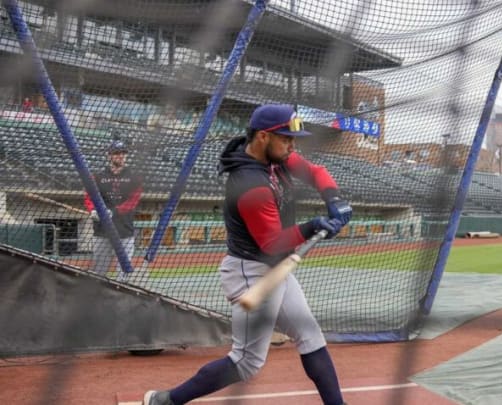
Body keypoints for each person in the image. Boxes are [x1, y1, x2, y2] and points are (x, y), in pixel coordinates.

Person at [143, 104, 353, 405]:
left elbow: (314, 171)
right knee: (245, 361)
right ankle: (168, 400)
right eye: (286, 139)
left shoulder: (274, 156)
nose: (292, 146)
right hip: (253, 272)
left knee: (311, 336)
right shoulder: (249, 184)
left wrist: (333, 198)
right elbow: (271, 243)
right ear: (264, 137)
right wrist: (313, 226)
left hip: (276, 268)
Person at [84, 140, 143, 278]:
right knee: (99, 271)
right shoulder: (97, 177)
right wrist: (93, 210)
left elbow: (133, 202)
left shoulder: (134, 178)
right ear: (109, 155)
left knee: (124, 271)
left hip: (124, 231)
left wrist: (113, 212)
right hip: (102, 231)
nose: (120, 156)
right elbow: (89, 196)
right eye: (116, 153)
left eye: (123, 153)